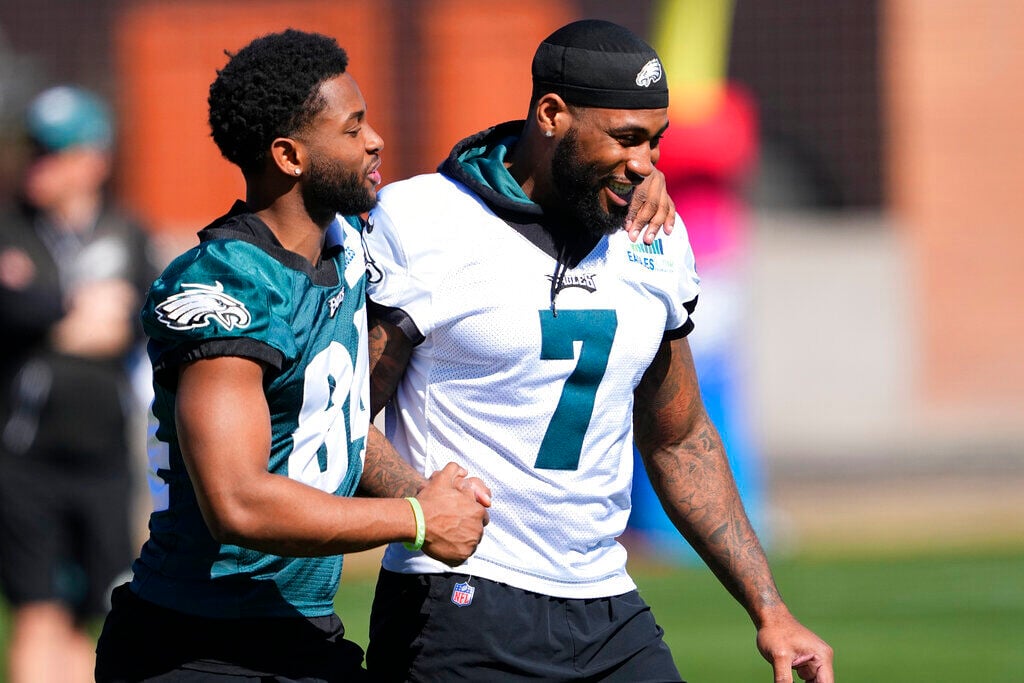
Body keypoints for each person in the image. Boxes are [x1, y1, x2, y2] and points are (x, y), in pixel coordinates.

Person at [363, 19, 834, 683]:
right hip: (462, 601)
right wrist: (420, 507)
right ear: (552, 114)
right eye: (626, 137)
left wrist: (771, 609)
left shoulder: (654, 238)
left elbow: (681, 440)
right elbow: (338, 415)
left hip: (605, 602)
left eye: (655, 141)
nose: (646, 163)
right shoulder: (423, 222)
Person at [92, 29, 493, 682]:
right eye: (352, 126)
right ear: (289, 154)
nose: (375, 140)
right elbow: (239, 502)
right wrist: (417, 518)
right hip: (195, 646)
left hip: (298, 630)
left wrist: (640, 181)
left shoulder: (347, 245)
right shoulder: (223, 284)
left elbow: (331, 428)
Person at [0, 84, 161, 683]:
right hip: (23, 458)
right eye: (35, 150)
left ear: (94, 158)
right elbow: (10, 311)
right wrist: (72, 311)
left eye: (56, 151)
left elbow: (145, 316)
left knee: (95, 613)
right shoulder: (11, 231)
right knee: (37, 611)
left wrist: (57, 317)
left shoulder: (126, 234)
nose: (39, 164)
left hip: (102, 458)